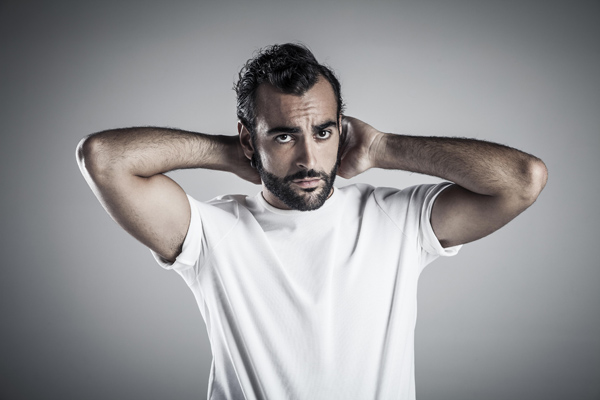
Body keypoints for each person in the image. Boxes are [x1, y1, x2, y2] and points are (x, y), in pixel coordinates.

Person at [77, 43, 547, 400]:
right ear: (250, 139)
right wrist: (232, 153)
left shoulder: (396, 219)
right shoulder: (211, 232)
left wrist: (382, 147)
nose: (308, 158)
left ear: (341, 129)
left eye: (323, 132)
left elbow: (522, 180)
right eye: (284, 136)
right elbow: (103, 158)